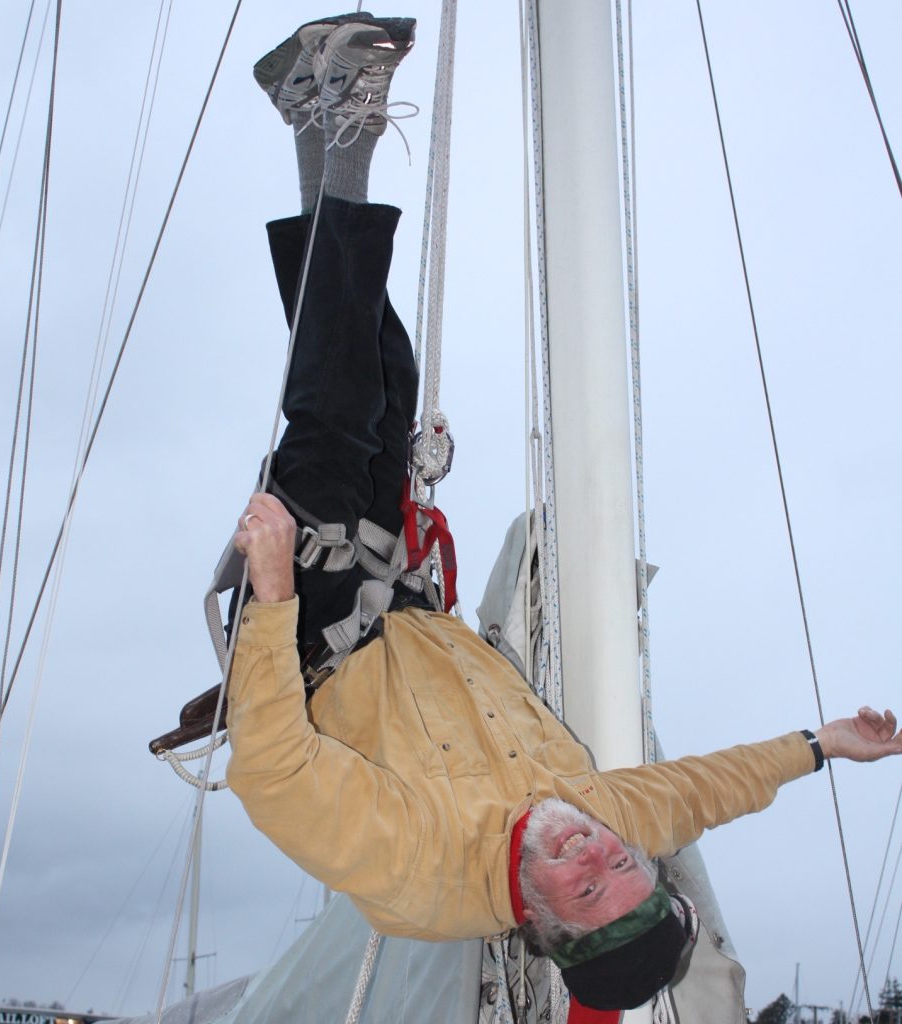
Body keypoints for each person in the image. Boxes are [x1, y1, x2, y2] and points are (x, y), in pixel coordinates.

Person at [222, 14, 902, 1017]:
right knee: (386, 378)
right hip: (402, 609)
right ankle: (312, 126)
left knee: (335, 415)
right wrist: (820, 745)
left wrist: (272, 590)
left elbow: (272, 770)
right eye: (624, 860)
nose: (592, 847)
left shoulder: (419, 875)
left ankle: (336, 118)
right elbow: (705, 788)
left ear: (539, 921)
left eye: (586, 883)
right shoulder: (597, 818)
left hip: (313, 629)